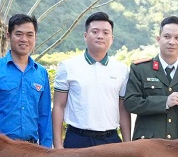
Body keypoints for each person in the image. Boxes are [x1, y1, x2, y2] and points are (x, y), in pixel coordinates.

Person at [52, 11, 131, 147]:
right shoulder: (68, 67)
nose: (100, 36)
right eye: (95, 32)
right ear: (85, 36)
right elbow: (59, 106)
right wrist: (58, 146)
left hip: (110, 140)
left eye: (105, 33)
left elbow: (123, 109)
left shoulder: (122, 69)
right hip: (77, 139)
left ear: (111, 38)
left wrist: (128, 144)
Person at [0, 13, 52, 147]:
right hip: (0, 150)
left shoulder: (41, 73)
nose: (24, 39)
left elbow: (45, 116)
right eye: (18, 34)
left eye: (29, 35)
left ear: (35, 38)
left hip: (32, 150)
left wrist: (47, 152)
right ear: (8, 35)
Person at [123, 15, 178, 140]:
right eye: (167, 36)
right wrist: (164, 102)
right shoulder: (140, 69)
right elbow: (131, 103)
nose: (172, 42)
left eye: (177, 38)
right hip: (147, 145)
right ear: (158, 39)